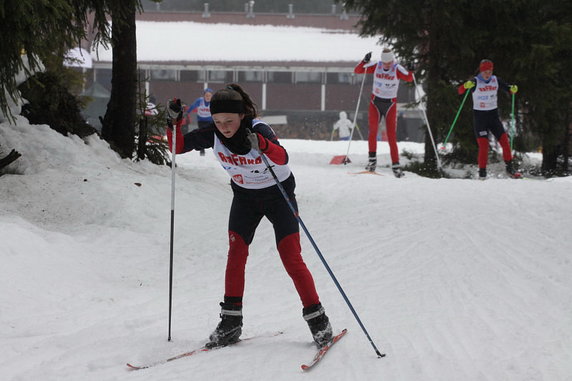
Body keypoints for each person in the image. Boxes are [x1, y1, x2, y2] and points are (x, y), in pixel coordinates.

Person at [166, 83, 333, 349]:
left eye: (229, 121)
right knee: (236, 254)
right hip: (245, 198)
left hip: (279, 196)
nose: (224, 127)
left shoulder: (258, 129)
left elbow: (283, 157)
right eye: (218, 121)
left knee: (291, 256)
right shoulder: (214, 133)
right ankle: (231, 323)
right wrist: (174, 121)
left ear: (242, 115)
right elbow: (178, 146)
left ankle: (318, 321)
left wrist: (263, 145)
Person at [458, 59, 522, 179]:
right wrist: (465, 86)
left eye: (489, 71)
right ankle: (482, 173)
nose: (487, 74)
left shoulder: (495, 80)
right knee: (484, 145)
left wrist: (513, 89)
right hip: (480, 118)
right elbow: (460, 91)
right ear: (481, 71)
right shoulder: (475, 82)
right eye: (485, 71)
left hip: (493, 117)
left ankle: (510, 169)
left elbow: (508, 88)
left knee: (505, 142)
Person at [354, 48, 413, 177]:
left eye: (390, 62)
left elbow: (409, 78)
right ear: (382, 61)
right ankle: (372, 161)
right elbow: (357, 70)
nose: (388, 65)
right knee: (373, 132)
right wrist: (364, 60)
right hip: (375, 103)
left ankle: (396, 165)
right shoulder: (376, 66)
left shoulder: (397, 68)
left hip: (390, 105)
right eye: (386, 63)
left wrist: (411, 69)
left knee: (392, 136)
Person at [185, 88, 214, 155]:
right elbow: (192, 106)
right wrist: (187, 112)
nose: (208, 97)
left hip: (210, 120)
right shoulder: (199, 101)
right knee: (202, 133)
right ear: (204, 96)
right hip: (201, 120)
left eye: (209, 96)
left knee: (210, 133)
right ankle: (202, 149)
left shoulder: (213, 101)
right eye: (206, 95)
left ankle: (213, 147)